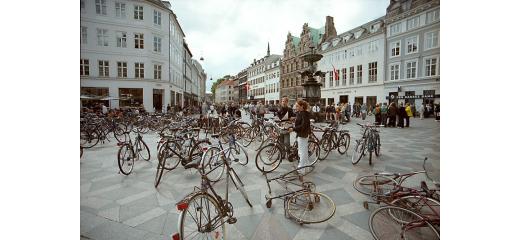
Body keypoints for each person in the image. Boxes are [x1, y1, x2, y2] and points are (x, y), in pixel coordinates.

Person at [288, 100, 311, 170]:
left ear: (302, 106)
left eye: (297, 106)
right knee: (303, 151)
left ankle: (301, 168)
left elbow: (303, 125)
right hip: (300, 134)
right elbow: (298, 120)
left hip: (303, 134)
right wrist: (294, 119)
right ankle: (307, 167)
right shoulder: (300, 113)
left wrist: (293, 129)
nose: (295, 107)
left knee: (301, 152)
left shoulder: (304, 114)